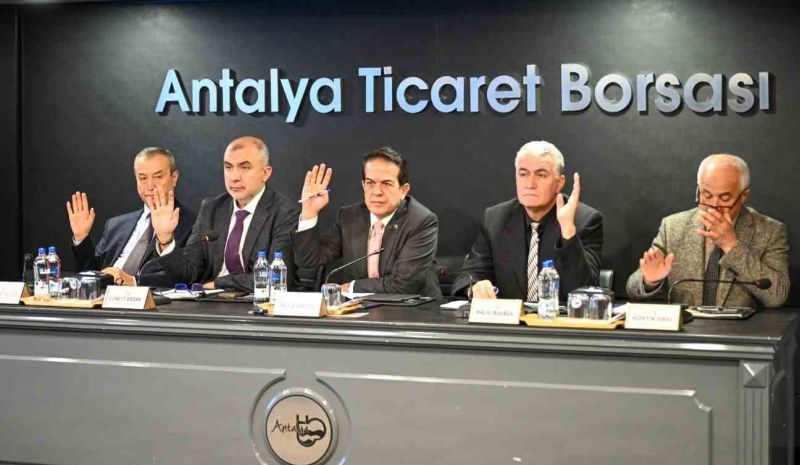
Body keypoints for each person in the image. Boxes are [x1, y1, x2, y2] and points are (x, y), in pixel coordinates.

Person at [626, 154, 789, 308]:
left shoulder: (770, 231)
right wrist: (650, 280)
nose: (713, 205)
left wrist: (732, 246)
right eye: (707, 195)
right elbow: (632, 288)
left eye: (724, 198)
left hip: (738, 327)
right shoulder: (673, 226)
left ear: (744, 195)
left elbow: (777, 296)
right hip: (686, 326)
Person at [452, 140, 603, 300]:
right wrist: (474, 287)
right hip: (510, 316)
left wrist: (568, 232)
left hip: (557, 316)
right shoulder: (495, 219)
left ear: (559, 183)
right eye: (523, 174)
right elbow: (469, 275)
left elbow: (584, 292)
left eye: (541, 175)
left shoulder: (585, 221)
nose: (530, 184)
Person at [292, 147, 441, 297]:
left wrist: (351, 287)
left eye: (386, 184)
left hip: (412, 307)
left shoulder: (421, 221)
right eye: (370, 183)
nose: (377, 192)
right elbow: (308, 261)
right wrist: (309, 212)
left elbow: (403, 285)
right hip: (358, 308)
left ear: (403, 190)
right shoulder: (349, 217)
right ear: (363, 185)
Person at [159, 136, 299, 292]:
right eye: (229, 167)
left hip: (257, 300)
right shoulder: (211, 209)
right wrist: (165, 240)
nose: (234, 177)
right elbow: (188, 274)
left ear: (265, 173)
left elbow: (276, 277)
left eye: (244, 168)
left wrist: (218, 283)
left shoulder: (285, 213)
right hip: (208, 300)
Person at [66, 147, 194, 286]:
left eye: (157, 177)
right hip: (105, 296)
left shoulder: (192, 224)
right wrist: (81, 239)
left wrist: (133, 282)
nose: (150, 186)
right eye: (143, 178)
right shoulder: (116, 225)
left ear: (174, 178)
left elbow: (183, 277)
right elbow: (91, 275)